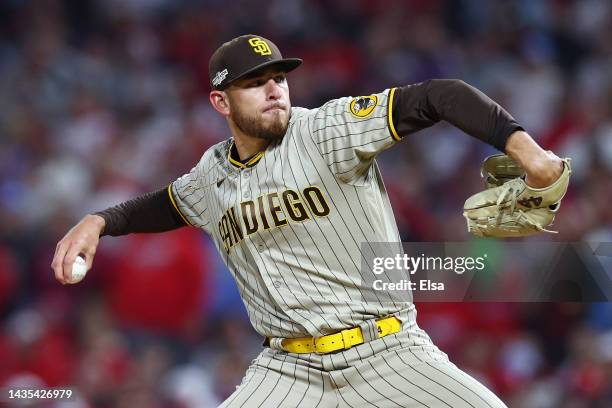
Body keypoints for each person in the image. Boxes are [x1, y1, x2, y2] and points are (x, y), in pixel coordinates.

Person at [52, 34, 564, 407]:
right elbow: (166, 204)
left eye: (278, 77)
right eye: (255, 83)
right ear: (220, 101)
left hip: (386, 351)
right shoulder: (212, 174)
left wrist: (528, 152)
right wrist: (99, 221)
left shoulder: (325, 129)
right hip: (289, 370)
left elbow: (440, 96)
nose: (275, 89)